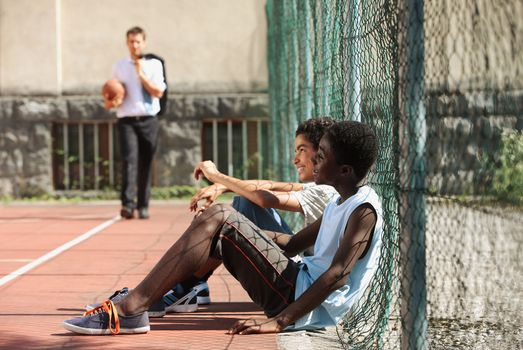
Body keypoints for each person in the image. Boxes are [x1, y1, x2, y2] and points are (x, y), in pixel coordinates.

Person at [63, 120, 383, 335]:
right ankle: (161, 294)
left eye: (321, 156)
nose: (313, 161)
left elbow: (337, 273)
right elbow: (291, 244)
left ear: (343, 170)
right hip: (295, 283)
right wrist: (244, 235)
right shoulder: (339, 201)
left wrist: (280, 321)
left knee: (220, 216)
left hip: (296, 300)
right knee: (221, 220)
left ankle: (131, 308)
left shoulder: (363, 210)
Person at [160, 117, 338, 311]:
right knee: (240, 207)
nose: (295, 159)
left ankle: (185, 287)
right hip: (302, 274)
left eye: (301, 150)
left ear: (322, 152)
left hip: (301, 287)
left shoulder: (328, 192)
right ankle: (193, 284)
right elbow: (270, 185)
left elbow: (264, 198)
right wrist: (222, 187)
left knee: (232, 217)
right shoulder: (323, 186)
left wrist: (215, 176)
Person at [104, 26, 166, 220]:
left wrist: (141, 74)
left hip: (148, 119)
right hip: (127, 119)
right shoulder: (119, 66)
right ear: (127, 42)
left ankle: (143, 205)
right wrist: (110, 101)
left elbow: (158, 92)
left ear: (144, 43)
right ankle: (127, 205)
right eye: (131, 41)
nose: (134, 45)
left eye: (138, 41)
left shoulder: (155, 64)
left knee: (146, 163)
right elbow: (113, 94)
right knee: (129, 161)